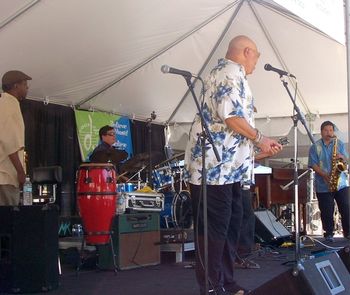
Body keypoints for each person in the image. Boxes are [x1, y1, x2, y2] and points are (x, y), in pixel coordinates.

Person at [185, 35, 282, 295]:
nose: (257, 61)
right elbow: (231, 117)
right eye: (257, 55)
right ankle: (212, 286)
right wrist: (260, 138)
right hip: (213, 168)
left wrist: (256, 148)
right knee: (214, 230)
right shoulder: (228, 73)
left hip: (229, 168)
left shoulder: (236, 75)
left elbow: (234, 127)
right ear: (246, 51)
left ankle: (225, 281)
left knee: (228, 228)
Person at [308, 121, 350, 242]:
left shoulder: (339, 143)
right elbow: (313, 164)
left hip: (341, 183)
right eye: (326, 130)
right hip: (323, 183)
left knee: (346, 207)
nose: (329, 133)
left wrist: (342, 158)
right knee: (326, 210)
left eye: (331, 130)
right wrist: (324, 175)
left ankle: (348, 233)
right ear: (321, 132)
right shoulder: (315, 147)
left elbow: (345, 161)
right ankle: (329, 233)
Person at [0, 70, 32, 206]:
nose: (27, 88)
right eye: (25, 84)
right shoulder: (9, 104)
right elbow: (9, 142)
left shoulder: (4, 103)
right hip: (5, 175)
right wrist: (20, 172)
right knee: (6, 221)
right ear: (15, 86)